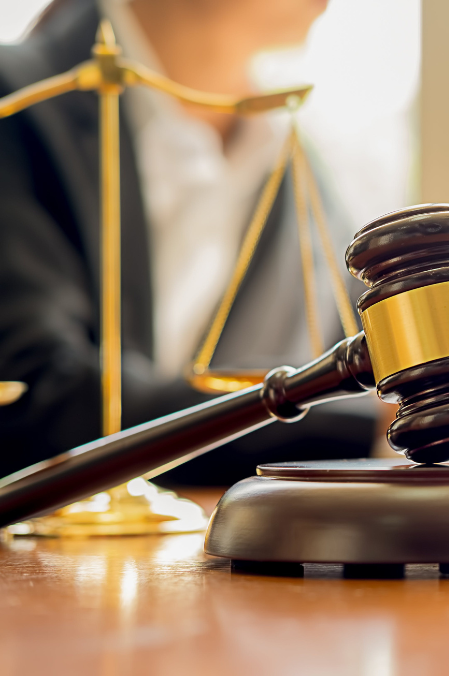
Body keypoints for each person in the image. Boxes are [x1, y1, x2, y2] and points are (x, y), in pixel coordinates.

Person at [0, 0, 377, 485]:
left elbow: (353, 356)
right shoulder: (20, 108)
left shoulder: (291, 166)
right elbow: (38, 395)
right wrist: (361, 434)